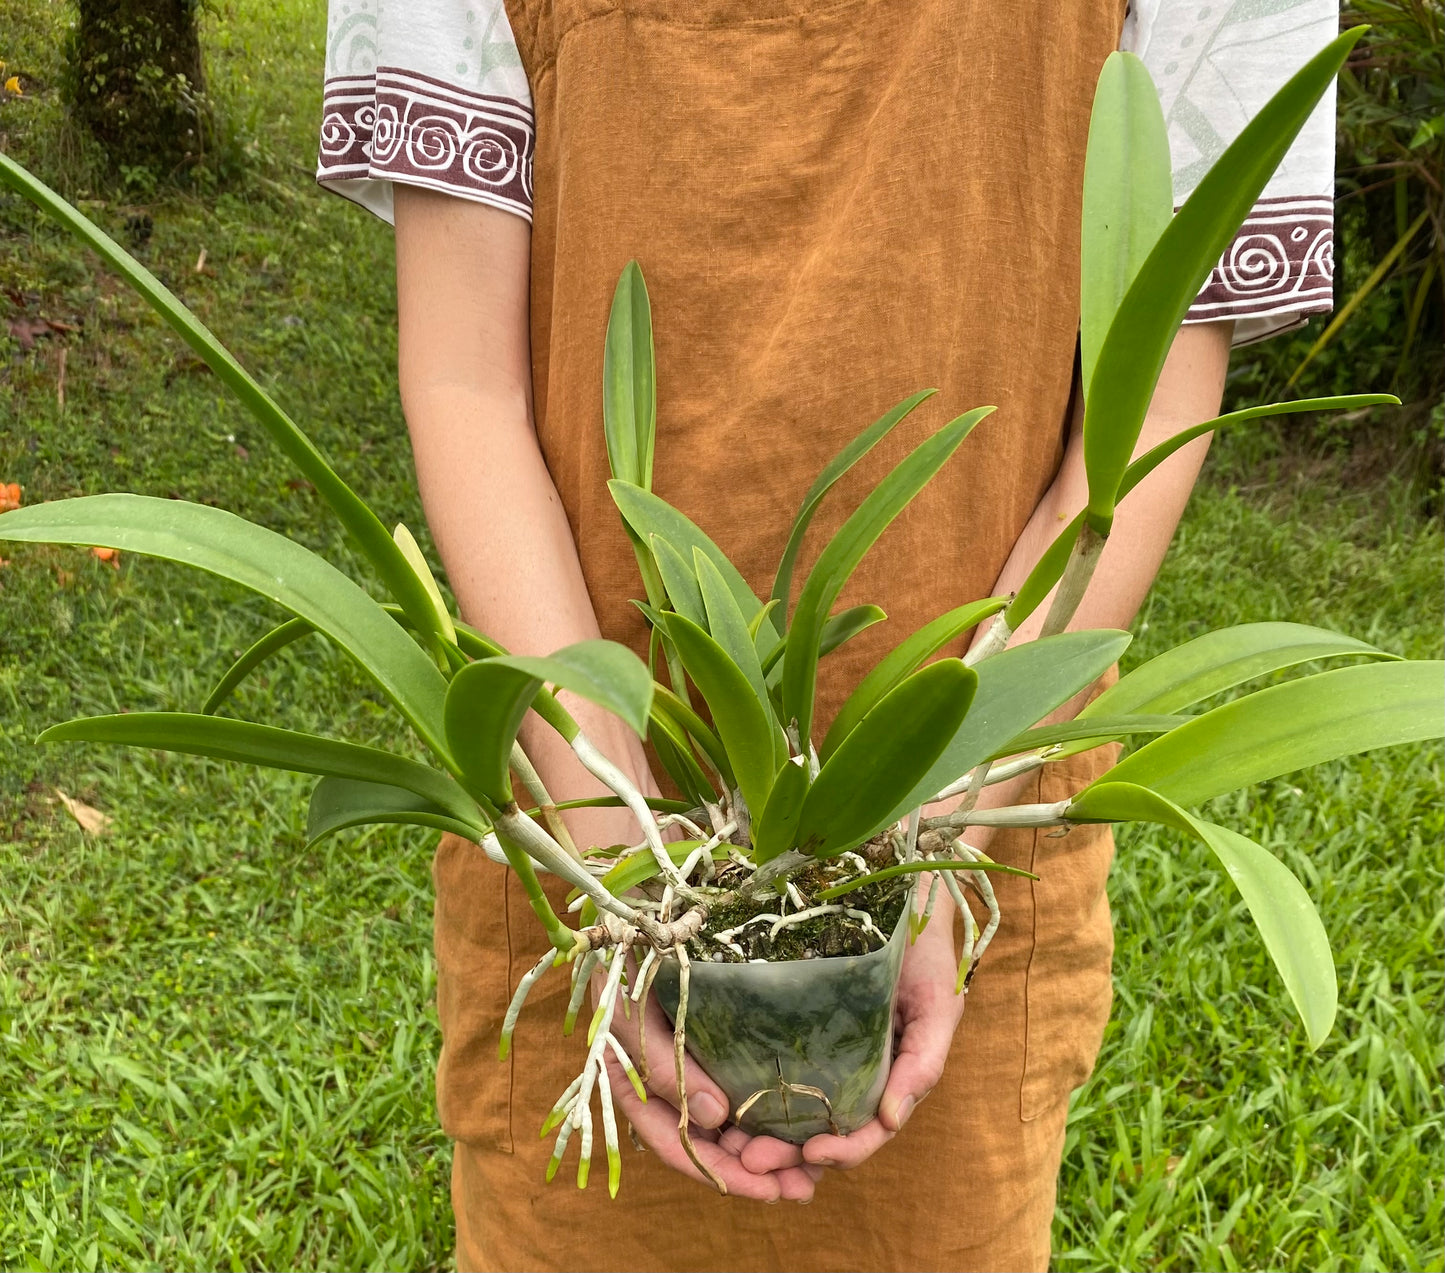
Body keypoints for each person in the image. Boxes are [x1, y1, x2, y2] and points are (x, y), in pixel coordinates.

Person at [317, 2, 1338, 1269]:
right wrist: (630, 880)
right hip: (591, 808)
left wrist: (947, 845)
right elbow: (467, 378)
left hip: (976, 807)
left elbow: (1128, 426)